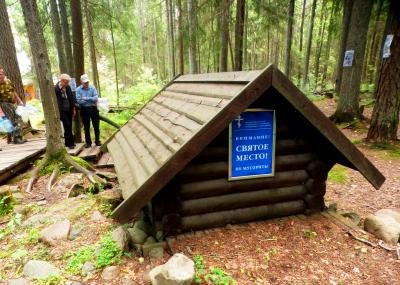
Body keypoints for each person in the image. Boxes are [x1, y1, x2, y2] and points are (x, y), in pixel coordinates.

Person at [0, 68, 25, 144]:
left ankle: (19, 137)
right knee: (12, 119)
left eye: (1, 74)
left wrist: (20, 101)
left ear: (4, 74)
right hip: (3, 104)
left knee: (18, 117)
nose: (0, 76)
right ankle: (16, 138)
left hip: (13, 103)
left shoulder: (8, 81)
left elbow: (13, 92)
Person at [76, 74, 101, 148]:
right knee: (86, 127)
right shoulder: (78, 90)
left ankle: (97, 141)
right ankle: (88, 142)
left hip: (94, 109)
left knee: (96, 126)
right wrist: (91, 99)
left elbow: (96, 97)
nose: (86, 84)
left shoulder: (92, 88)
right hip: (84, 109)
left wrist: (86, 98)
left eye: (87, 82)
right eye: (84, 82)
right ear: (81, 82)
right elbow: (79, 101)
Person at [55, 73, 76, 149]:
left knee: (69, 126)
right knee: (67, 125)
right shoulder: (56, 88)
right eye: (66, 82)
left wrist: (73, 109)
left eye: (68, 82)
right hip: (62, 111)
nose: (67, 84)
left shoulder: (68, 87)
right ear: (62, 81)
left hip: (69, 110)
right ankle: (71, 143)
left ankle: (68, 142)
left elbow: (71, 98)